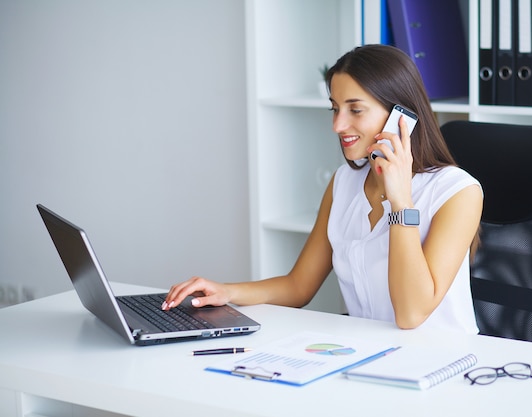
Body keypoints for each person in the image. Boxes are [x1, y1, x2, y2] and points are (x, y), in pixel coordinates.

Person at [163, 44, 483, 333]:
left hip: (443, 369)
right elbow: (298, 285)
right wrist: (226, 292)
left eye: (355, 110)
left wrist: (400, 201)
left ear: (402, 117)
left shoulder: (458, 192)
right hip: (369, 359)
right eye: (335, 108)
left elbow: (411, 314)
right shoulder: (344, 183)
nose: (338, 126)